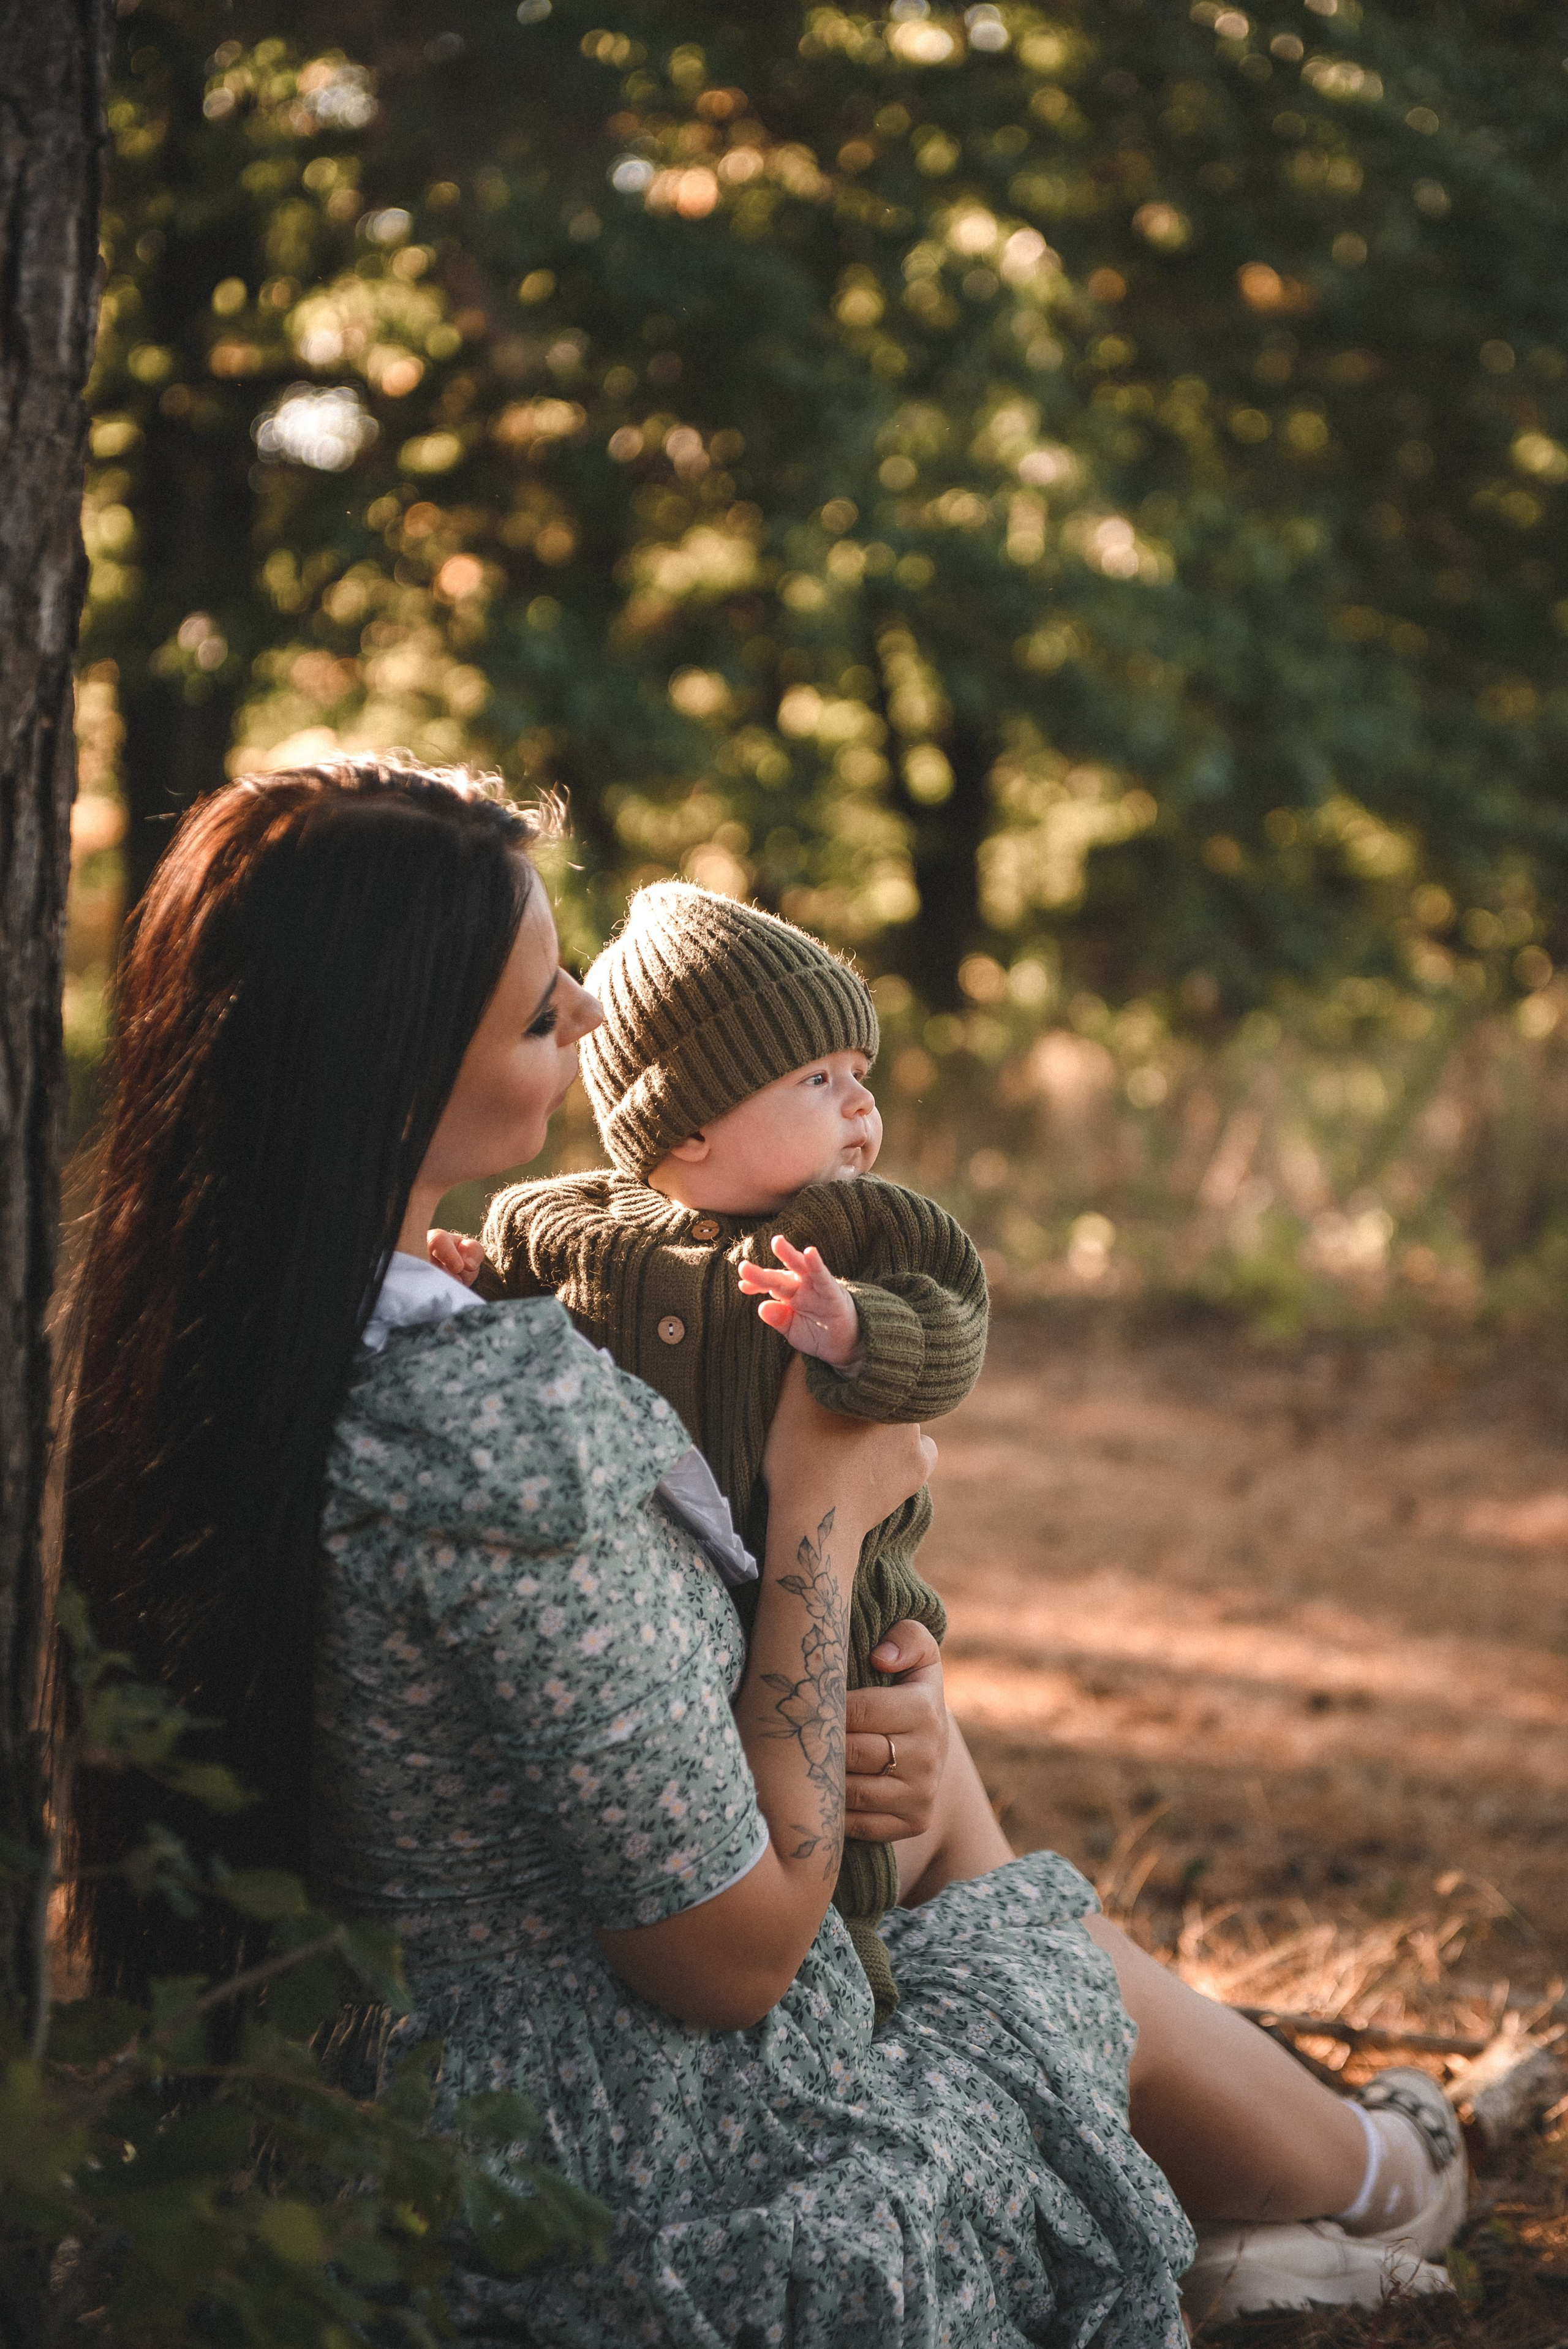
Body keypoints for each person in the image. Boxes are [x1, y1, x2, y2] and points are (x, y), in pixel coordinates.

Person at [63, 759, 1465, 2344]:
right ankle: (1371, 2172)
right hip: (647, 2188)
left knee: (922, 1778)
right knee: (976, 1875)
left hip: (374, 2099)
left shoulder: (183, 1355)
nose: (592, 1028)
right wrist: (827, 1510)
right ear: (389, 1076)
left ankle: (1320, 2180)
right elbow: (732, 1958)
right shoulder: (489, 1428)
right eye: (541, 1017)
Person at [462, 881, 988, 2026]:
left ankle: (850, 1979)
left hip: (835, 1614)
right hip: (654, 1636)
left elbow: (950, 1330)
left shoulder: (866, 1231)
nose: (860, 1108)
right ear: (685, 1122)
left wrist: (856, 1333)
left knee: (846, 1791)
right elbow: (513, 1310)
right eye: (817, 1081)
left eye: (861, 1075)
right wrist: (474, 1282)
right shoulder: (563, 1227)